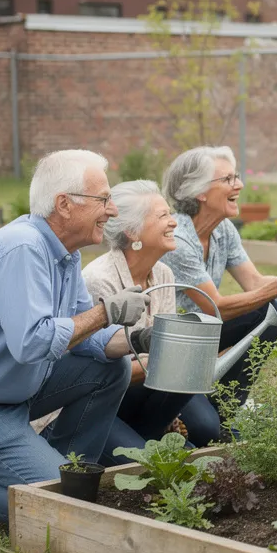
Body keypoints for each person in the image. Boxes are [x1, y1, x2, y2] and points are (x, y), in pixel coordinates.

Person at [0, 150, 147, 528]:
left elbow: (88, 340)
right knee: (65, 511)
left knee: (112, 367)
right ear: (64, 205)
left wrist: (143, 339)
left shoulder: (65, 256)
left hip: (7, 395)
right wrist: (106, 311)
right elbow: (32, 343)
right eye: (103, 199)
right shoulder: (22, 248)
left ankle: (64, 472)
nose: (113, 210)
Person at [159, 146, 277, 438]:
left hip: (203, 335)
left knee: (270, 312)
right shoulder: (179, 240)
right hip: (171, 351)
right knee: (204, 430)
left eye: (236, 177)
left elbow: (254, 283)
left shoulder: (223, 230)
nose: (239, 184)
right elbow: (217, 307)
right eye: (227, 179)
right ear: (199, 192)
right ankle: (206, 414)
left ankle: (227, 406)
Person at [83, 179, 221, 463]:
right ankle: (139, 439)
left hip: (149, 385)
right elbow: (103, 365)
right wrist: (175, 362)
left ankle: (147, 434)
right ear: (132, 231)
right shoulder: (99, 280)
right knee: (154, 462)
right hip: (107, 397)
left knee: (207, 428)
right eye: (163, 216)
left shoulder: (162, 275)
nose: (174, 223)